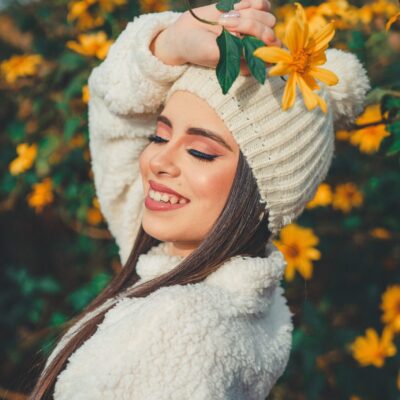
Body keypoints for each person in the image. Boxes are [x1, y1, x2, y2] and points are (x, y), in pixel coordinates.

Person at [29, 1, 371, 399]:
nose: (158, 159)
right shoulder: (184, 264)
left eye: (201, 152)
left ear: (261, 192)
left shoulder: (181, 329)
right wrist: (168, 45)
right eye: (159, 135)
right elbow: (114, 122)